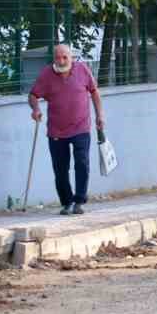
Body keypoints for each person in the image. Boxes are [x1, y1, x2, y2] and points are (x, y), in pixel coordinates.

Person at [28, 44, 104, 215]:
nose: (61, 61)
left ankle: (79, 201)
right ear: (53, 58)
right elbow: (33, 95)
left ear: (72, 58)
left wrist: (100, 115)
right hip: (56, 130)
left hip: (81, 127)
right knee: (60, 169)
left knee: (82, 163)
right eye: (57, 57)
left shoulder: (82, 70)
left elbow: (94, 92)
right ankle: (66, 202)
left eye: (65, 57)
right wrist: (36, 109)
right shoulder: (47, 74)